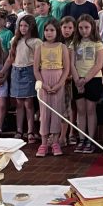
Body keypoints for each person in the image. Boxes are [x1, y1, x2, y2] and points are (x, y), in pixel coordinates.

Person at [35, 18, 71, 156]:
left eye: (52, 30)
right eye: (46, 30)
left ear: (57, 31)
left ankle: (55, 142)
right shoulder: (40, 47)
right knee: (44, 113)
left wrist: (59, 84)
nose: (49, 33)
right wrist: (43, 84)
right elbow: (36, 69)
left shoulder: (62, 47)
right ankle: (44, 143)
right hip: (44, 80)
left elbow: (66, 69)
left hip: (58, 81)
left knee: (56, 112)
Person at [71, 15, 103, 154]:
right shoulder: (74, 44)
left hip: (93, 79)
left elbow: (98, 64)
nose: (84, 30)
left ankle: (91, 140)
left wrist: (85, 80)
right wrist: (77, 80)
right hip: (77, 79)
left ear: (92, 27)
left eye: (86, 27)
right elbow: (72, 64)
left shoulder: (98, 44)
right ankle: (81, 139)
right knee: (81, 111)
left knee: (90, 110)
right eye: (80, 28)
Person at [8, 15, 41, 142]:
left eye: (26, 26)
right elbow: (10, 58)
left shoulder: (36, 42)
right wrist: (3, 72)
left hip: (29, 71)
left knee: (28, 103)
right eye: (21, 25)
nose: (23, 28)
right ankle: (19, 130)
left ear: (31, 27)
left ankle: (30, 131)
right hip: (16, 71)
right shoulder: (15, 40)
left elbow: (38, 61)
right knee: (19, 103)